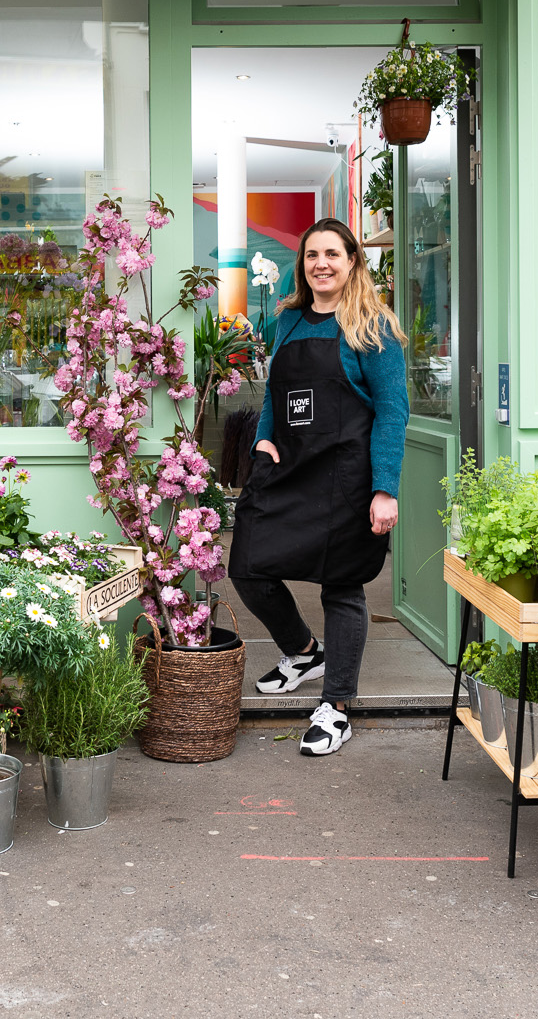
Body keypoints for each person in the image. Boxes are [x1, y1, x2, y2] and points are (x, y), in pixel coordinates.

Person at [227, 218, 406, 757]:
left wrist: (385, 487)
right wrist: (261, 442)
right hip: (289, 468)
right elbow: (276, 398)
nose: (321, 264)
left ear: (353, 260)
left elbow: (392, 413)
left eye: (332, 253)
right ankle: (304, 651)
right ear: (302, 265)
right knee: (248, 567)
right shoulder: (288, 321)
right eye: (311, 255)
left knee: (343, 585)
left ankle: (337, 707)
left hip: (348, 476)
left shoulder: (372, 328)